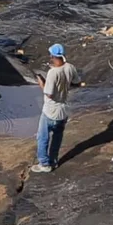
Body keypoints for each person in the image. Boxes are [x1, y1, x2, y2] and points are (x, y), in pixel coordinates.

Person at [31, 43, 81, 174]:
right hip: (63, 111)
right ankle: (53, 161)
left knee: (43, 138)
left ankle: (44, 164)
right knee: (57, 137)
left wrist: (41, 83)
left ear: (53, 56)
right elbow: (77, 83)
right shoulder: (70, 67)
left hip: (50, 111)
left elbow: (49, 94)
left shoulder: (53, 73)